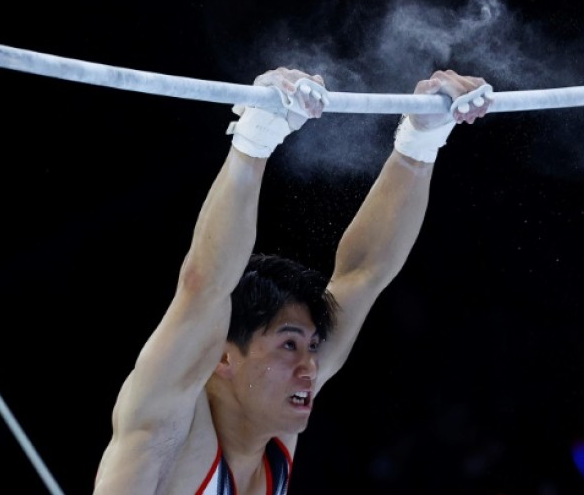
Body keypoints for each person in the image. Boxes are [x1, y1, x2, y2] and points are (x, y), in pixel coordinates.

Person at [91, 66, 494, 495]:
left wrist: (422, 141)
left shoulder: (272, 404)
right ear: (224, 358)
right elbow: (203, 287)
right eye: (289, 344)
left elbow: (363, 275)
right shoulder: (166, 429)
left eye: (310, 346)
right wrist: (253, 142)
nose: (310, 368)